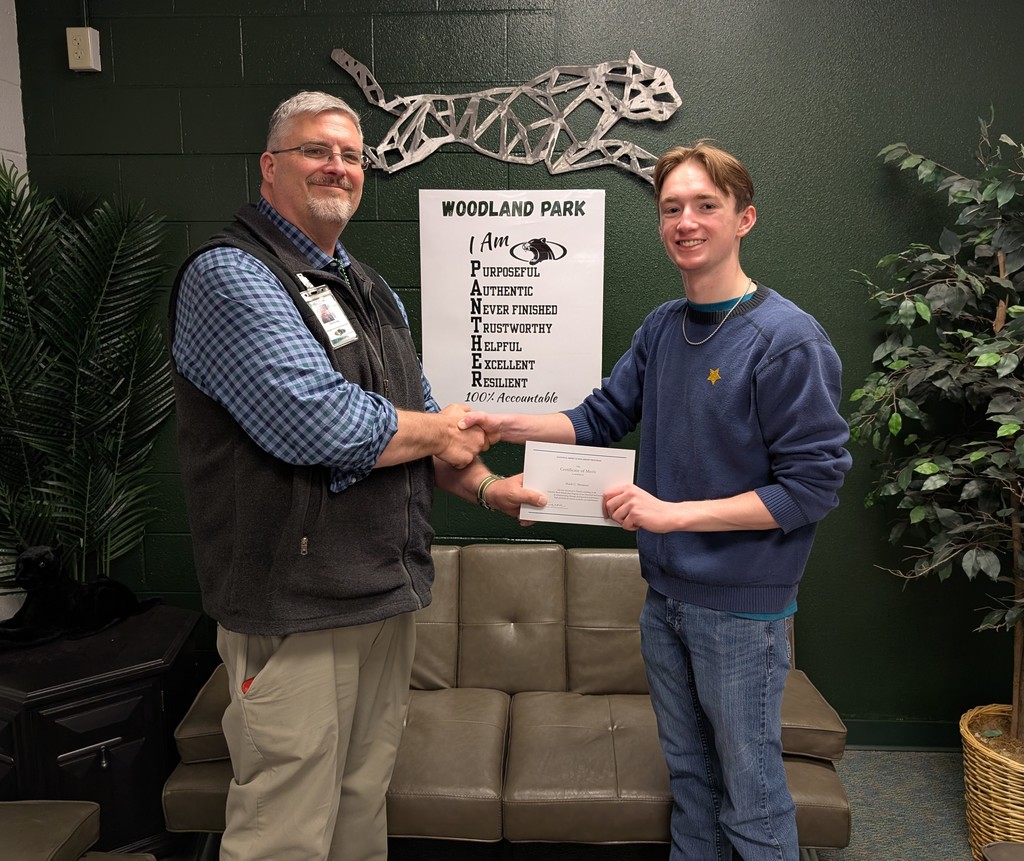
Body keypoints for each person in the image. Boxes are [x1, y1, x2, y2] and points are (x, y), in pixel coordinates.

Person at [168, 91, 538, 861]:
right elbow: (320, 423)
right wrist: (443, 429)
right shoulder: (232, 276)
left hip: (381, 596)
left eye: (351, 154)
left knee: (361, 813)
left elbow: (419, 425)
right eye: (315, 149)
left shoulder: (369, 289)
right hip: (296, 609)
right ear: (270, 167)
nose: (337, 165)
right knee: (284, 832)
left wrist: (485, 485)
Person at [461, 141, 852, 861]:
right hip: (664, 598)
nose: (686, 221)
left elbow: (811, 487)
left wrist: (671, 515)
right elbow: (599, 417)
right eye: (672, 208)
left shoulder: (787, 340)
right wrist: (503, 423)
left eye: (706, 205)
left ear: (745, 218)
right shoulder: (663, 327)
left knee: (751, 793)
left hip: (741, 611)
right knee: (691, 781)